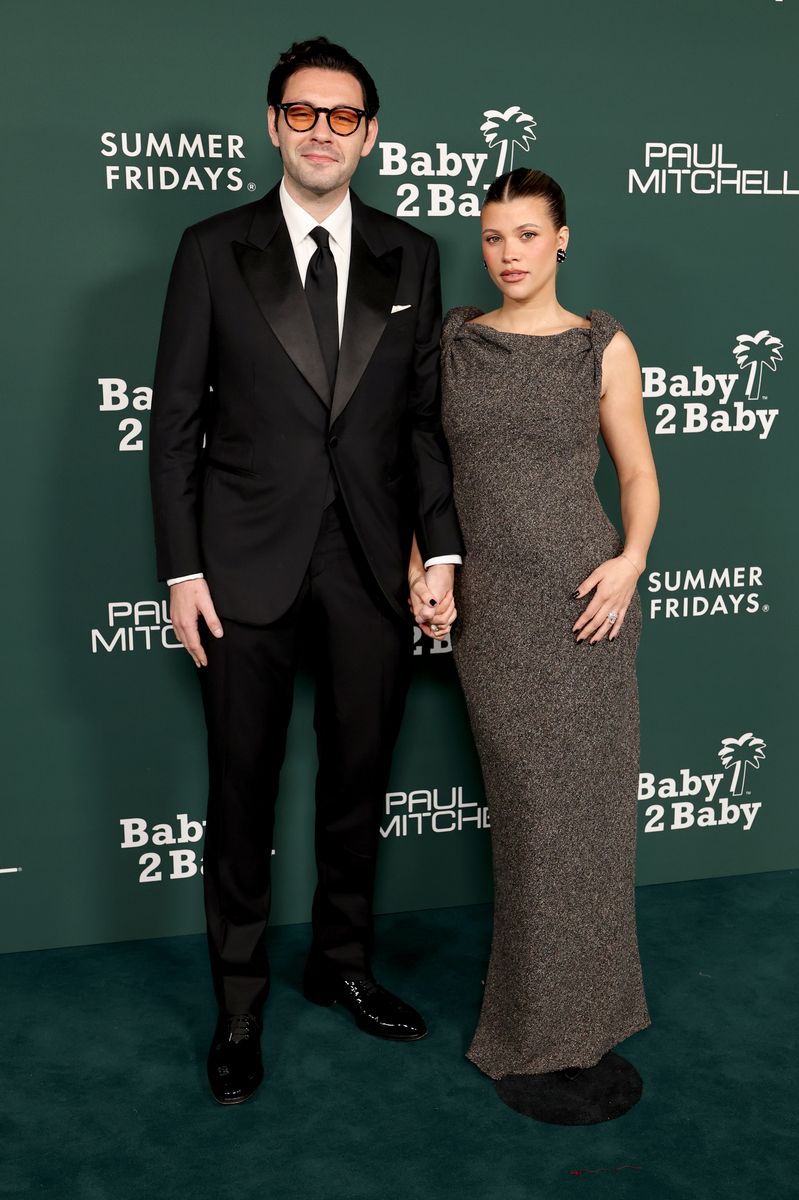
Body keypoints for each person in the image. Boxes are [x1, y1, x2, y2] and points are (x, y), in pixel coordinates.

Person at [149, 36, 463, 1106]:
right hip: (240, 566)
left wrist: (442, 548)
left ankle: (342, 967)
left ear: (369, 134)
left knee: (356, 782)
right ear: (273, 124)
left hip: (371, 565)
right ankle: (239, 1006)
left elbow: (422, 425)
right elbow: (172, 425)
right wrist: (182, 570)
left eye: (343, 116)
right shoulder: (208, 248)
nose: (322, 131)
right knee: (239, 794)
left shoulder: (411, 255)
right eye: (303, 112)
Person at [413, 167, 659, 1124]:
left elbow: (636, 471)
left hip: (585, 598)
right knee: (531, 822)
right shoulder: (452, 346)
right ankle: (527, 1031)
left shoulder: (603, 346)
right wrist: (421, 568)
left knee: (592, 824)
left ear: (561, 240)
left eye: (525, 235)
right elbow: (422, 474)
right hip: (498, 615)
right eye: (492, 237)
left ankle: (589, 1020)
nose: (507, 253)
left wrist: (631, 560)